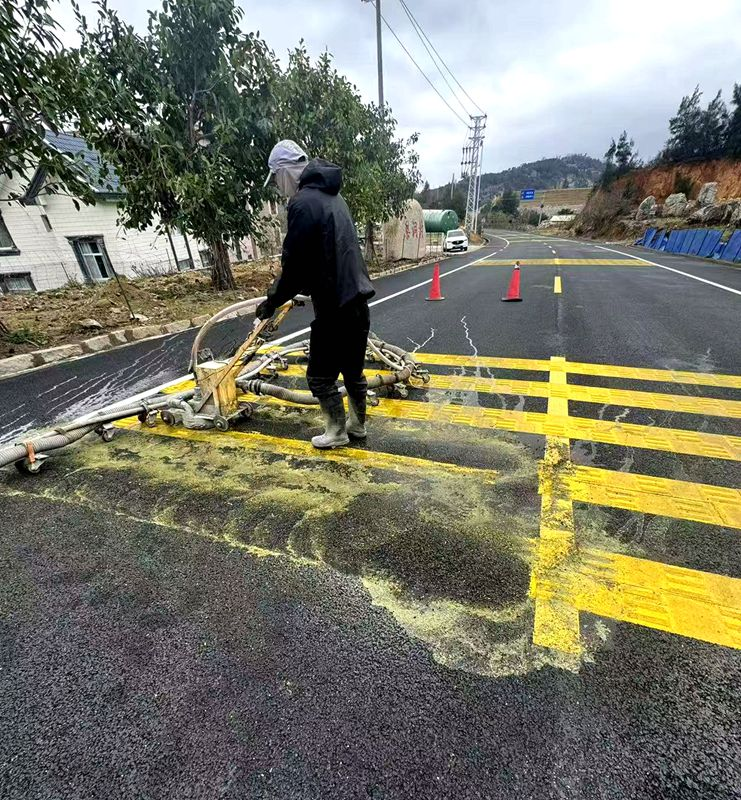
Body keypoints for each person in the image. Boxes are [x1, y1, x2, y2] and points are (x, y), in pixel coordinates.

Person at [255, 140, 375, 449]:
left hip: (334, 308)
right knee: (352, 371)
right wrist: (305, 288)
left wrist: (271, 301)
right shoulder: (334, 198)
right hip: (357, 301)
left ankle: (336, 431)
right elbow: (327, 254)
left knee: (320, 376)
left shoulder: (303, 201)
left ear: (285, 171)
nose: (278, 188)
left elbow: (294, 263)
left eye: (276, 179)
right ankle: (357, 426)